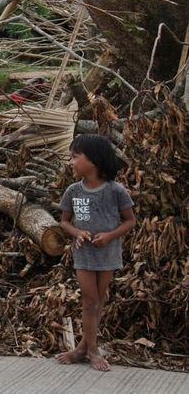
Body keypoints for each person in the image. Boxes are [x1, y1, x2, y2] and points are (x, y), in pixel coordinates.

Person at [56, 134, 136, 371]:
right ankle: (93, 351)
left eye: (75, 156)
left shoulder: (115, 191)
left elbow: (130, 221)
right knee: (90, 300)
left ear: (94, 160)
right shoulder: (73, 191)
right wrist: (77, 232)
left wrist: (110, 235)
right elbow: (64, 222)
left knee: (97, 302)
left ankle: (82, 348)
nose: (71, 162)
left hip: (108, 254)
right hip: (84, 254)